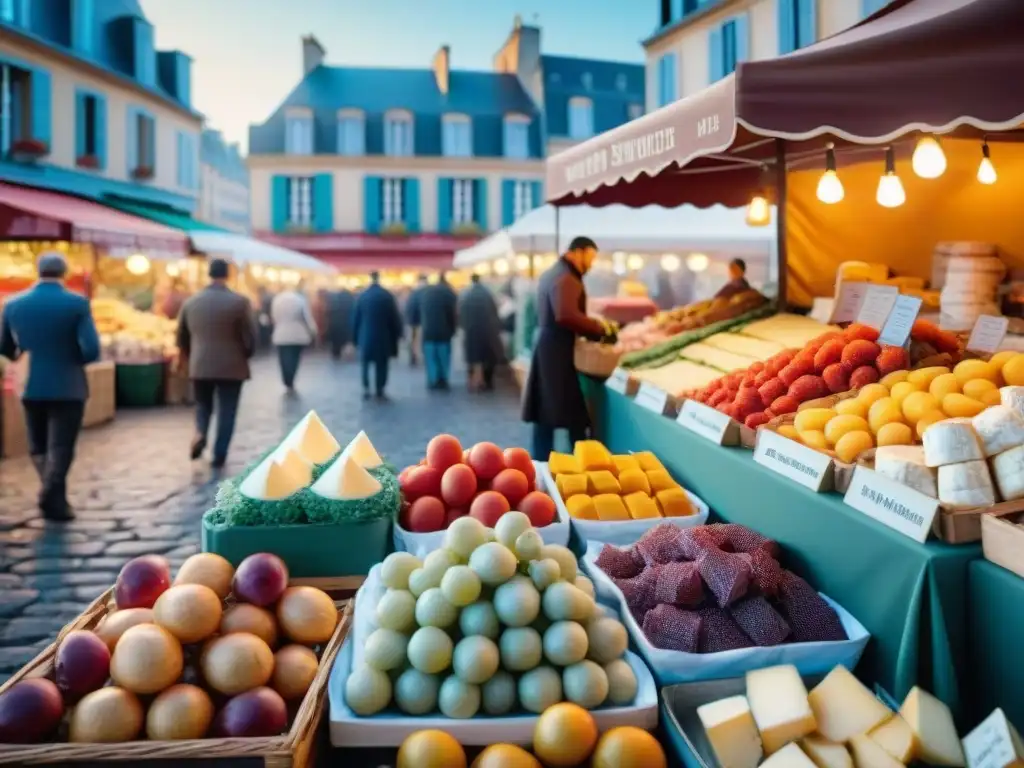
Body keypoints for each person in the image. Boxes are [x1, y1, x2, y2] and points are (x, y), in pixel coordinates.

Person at [0, 253, 100, 521]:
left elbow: (4, 347)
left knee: (39, 444)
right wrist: (71, 359)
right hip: (69, 383)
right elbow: (91, 349)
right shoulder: (77, 304)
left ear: (38, 270)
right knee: (62, 445)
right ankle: (50, 494)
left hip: (30, 382)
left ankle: (54, 496)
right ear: (64, 272)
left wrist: (25, 355)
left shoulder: (13, 304)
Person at [522, 236, 615, 460]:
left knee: (546, 413)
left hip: (551, 347)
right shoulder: (565, 278)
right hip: (557, 352)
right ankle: (579, 462)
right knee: (571, 415)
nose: (591, 264)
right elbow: (566, 315)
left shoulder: (554, 273)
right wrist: (600, 330)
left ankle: (541, 462)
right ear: (578, 252)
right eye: (590, 257)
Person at [177, 258, 256, 468]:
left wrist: (190, 357)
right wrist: (245, 354)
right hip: (232, 365)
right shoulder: (240, 302)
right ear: (227, 275)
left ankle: (201, 433)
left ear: (208, 274)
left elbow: (181, 338)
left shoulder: (191, 302)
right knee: (227, 410)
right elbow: (249, 338)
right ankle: (219, 454)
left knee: (203, 405)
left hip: (200, 364)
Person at [352, 271, 403, 400]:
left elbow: (356, 319)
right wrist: (398, 334)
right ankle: (380, 389)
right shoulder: (387, 296)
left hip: (365, 336)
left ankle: (366, 388)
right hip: (384, 337)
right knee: (382, 364)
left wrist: (354, 338)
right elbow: (394, 318)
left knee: (365, 364)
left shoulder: (362, 296)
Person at [459, 274, 504, 391]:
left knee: (474, 359)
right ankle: (485, 382)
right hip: (487, 331)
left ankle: (475, 381)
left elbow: (461, 314)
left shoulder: (466, 294)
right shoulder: (487, 294)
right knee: (486, 358)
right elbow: (495, 313)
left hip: (471, 331)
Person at [270, 281, 317, 391]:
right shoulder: (300, 300)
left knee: (283, 358)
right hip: (297, 333)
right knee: (294, 358)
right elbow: (306, 317)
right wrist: (313, 330)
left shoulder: (277, 300)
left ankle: (286, 378)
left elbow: (273, 316)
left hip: (280, 333)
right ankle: (291, 378)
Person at [418, 272, 458, 391]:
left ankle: (433, 380)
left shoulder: (426, 293)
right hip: (444, 332)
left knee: (431, 358)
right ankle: (443, 379)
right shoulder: (449, 294)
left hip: (428, 332)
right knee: (444, 357)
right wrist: (452, 330)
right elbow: (453, 315)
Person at [404, 274, 428, 366]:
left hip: (413, 321)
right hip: (422, 322)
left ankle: (413, 357)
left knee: (413, 341)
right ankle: (418, 357)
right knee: (420, 341)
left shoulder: (414, 293)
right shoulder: (426, 292)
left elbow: (409, 308)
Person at [327, 287, 355, 359]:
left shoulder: (334, 300)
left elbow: (329, 312)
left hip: (335, 323)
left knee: (336, 341)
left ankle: (336, 353)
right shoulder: (350, 300)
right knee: (346, 340)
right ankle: (346, 353)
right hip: (345, 323)